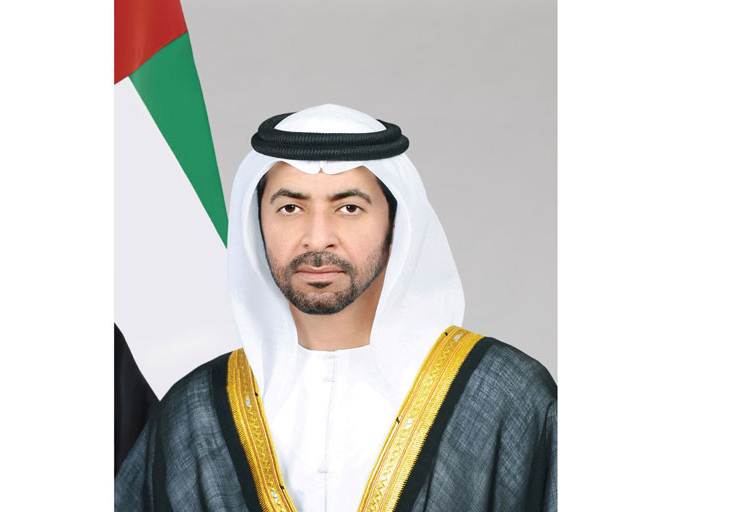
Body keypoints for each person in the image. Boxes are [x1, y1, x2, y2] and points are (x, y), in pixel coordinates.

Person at [115, 104, 557, 511]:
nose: (317, 238)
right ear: (257, 225)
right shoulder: (197, 409)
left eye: (349, 207)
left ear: (396, 224)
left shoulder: (506, 397)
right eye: (290, 208)